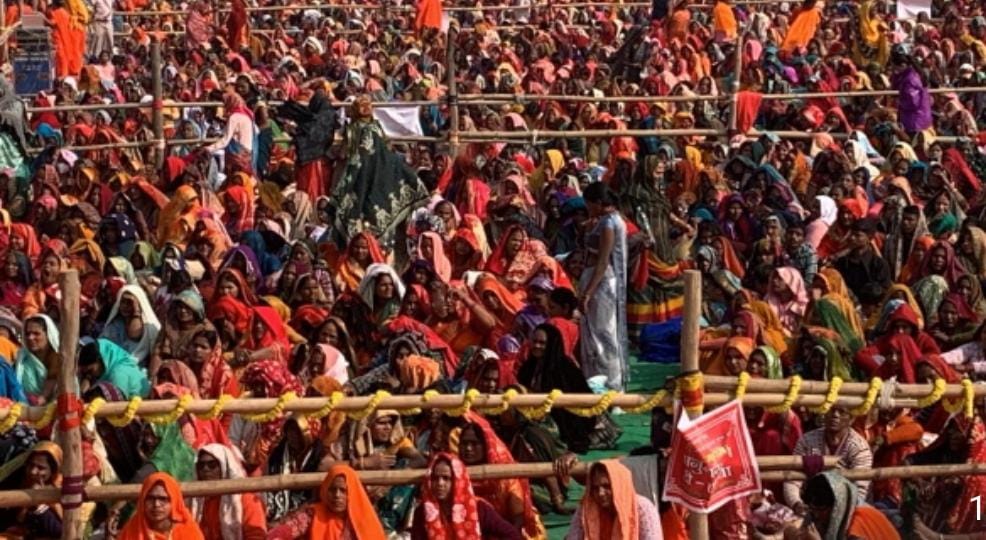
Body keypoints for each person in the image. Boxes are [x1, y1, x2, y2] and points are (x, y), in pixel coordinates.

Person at [579, 182, 628, 391]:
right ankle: (596, 380)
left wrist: (588, 293)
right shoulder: (607, 221)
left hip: (602, 283)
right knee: (596, 332)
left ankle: (610, 383)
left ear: (598, 203)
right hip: (597, 280)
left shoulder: (609, 224)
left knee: (604, 333)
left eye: (589, 204)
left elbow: (602, 262)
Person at [410, 453, 523, 540]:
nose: (440, 483)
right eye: (435, 478)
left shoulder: (478, 508)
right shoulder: (422, 513)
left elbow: (512, 534)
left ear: (457, 480)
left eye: (446, 478)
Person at [565, 460, 663, 540]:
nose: (600, 493)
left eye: (606, 486)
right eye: (595, 488)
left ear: (619, 485)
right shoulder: (587, 508)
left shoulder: (643, 508)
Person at [190, 444, 268, 540]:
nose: (205, 469)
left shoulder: (246, 499)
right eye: (201, 466)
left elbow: (256, 536)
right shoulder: (196, 503)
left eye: (212, 465)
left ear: (224, 466)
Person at [306, 464, 386, 540]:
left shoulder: (364, 518)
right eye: (332, 490)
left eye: (343, 490)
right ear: (325, 490)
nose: (337, 495)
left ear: (352, 492)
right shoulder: (313, 514)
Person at [118, 472, 205, 540]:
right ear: (143, 501)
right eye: (151, 498)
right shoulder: (132, 530)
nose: (156, 504)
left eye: (163, 499)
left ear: (174, 501)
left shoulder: (188, 532)